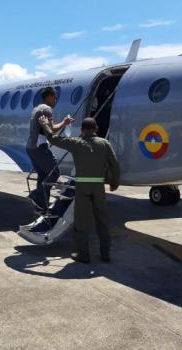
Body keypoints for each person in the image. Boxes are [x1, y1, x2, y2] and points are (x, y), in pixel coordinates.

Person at [42, 117, 120, 263]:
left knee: (81, 222)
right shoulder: (105, 143)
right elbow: (114, 165)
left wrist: (46, 125)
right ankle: (105, 254)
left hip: (83, 186)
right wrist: (114, 182)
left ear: (82, 130)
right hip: (98, 187)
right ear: (96, 129)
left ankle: (83, 255)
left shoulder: (76, 143)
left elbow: (53, 139)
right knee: (102, 221)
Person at [26, 86, 73, 211]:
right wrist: (65, 122)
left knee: (43, 176)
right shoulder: (47, 109)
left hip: (31, 147)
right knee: (54, 173)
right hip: (40, 146)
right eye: (55, 97)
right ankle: (36, 195)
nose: (55, 100)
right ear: (50, 96)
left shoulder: (37, 108)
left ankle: (42, 205)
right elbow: (51, 130)